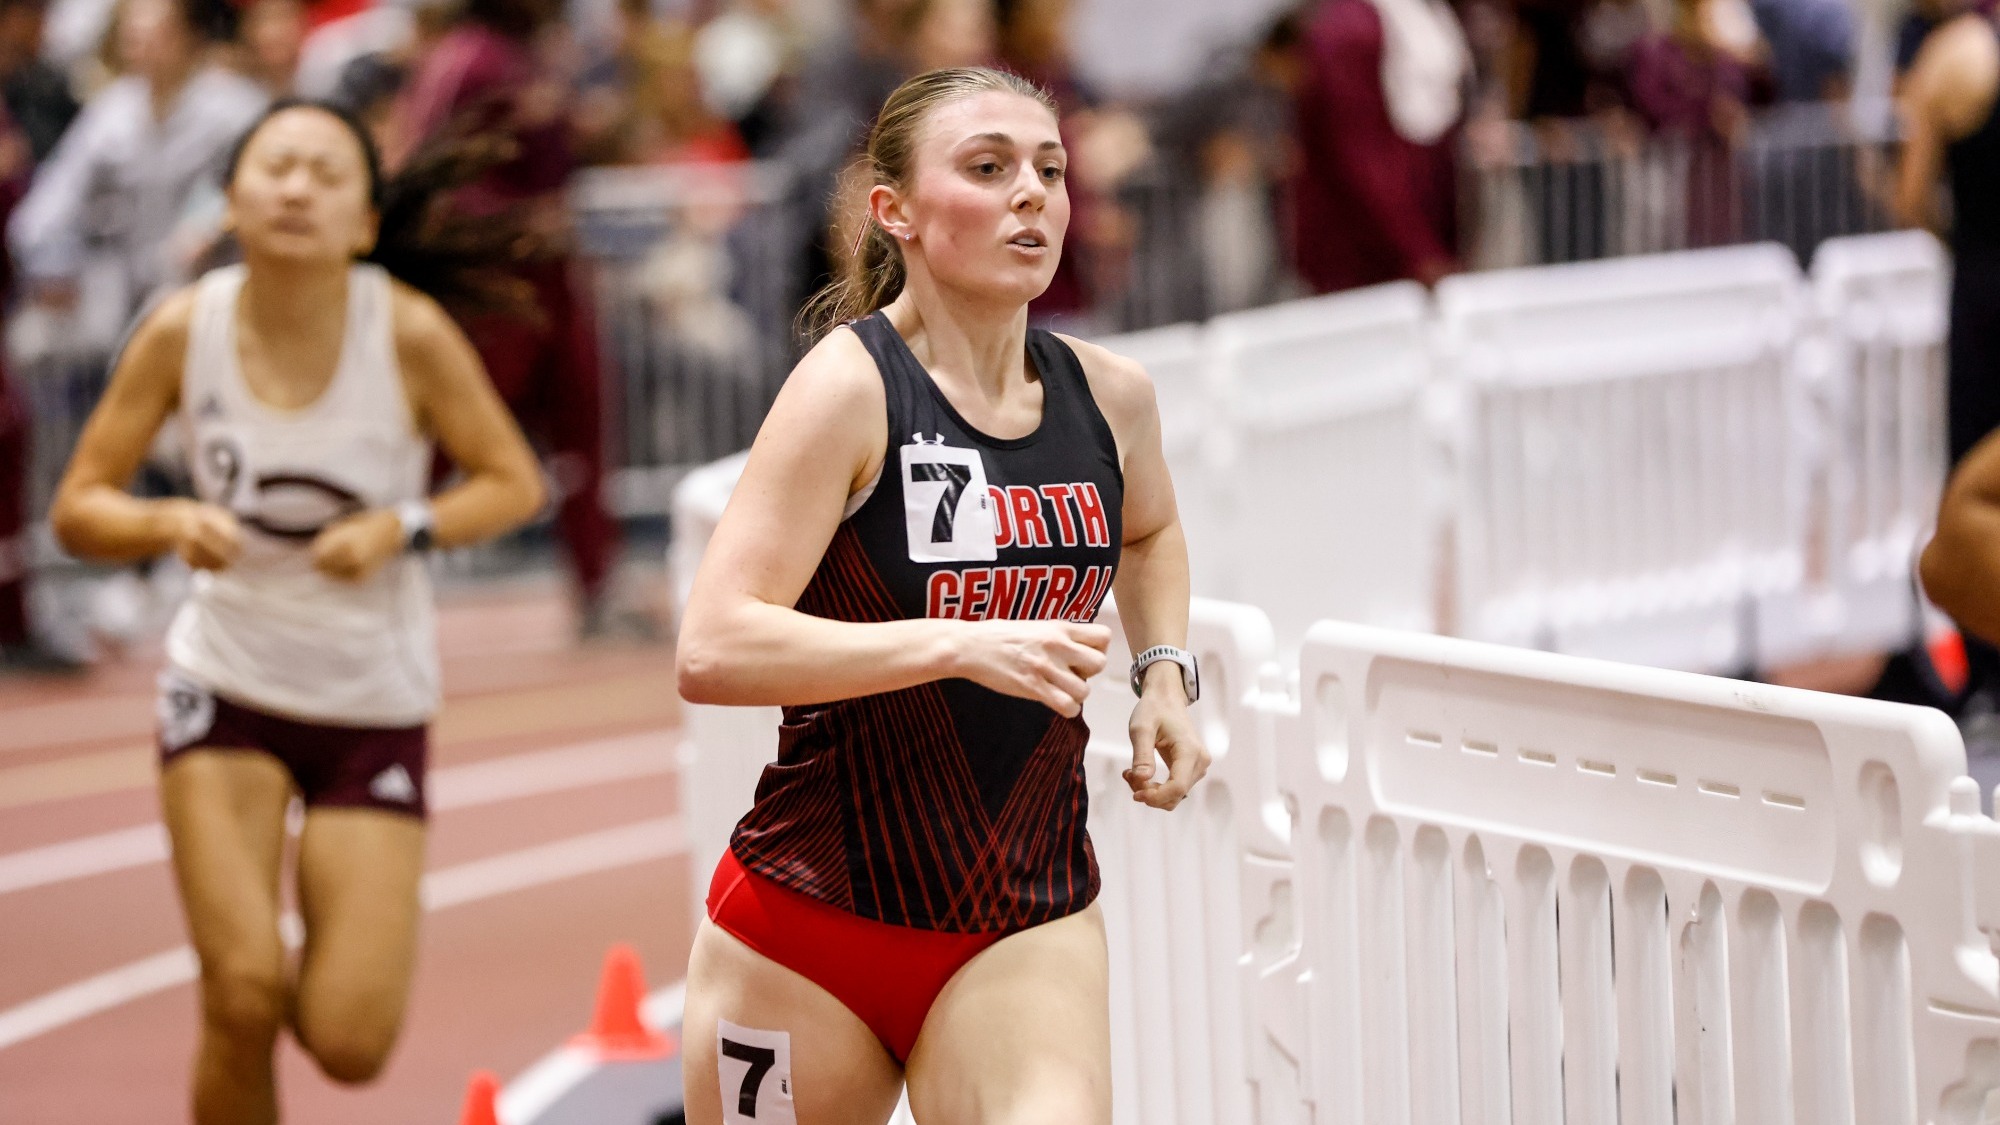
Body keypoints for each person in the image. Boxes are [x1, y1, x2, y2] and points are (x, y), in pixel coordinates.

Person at [674, 67, 1208, 1124]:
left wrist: (1162, 675)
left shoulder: (1112, 400)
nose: (1031, 195)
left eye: (1049, 170)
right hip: (807, 923)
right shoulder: (847, 389)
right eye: (987, 167)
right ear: (897, 213)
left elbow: (1147, 531)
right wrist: (953, 646)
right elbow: (711, 648)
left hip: (1023, 918)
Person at [46, 99, 545, 1123]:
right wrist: (168, 522)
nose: (294, 189)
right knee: (241, 992)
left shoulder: (404, 331)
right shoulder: (188, 328)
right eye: (273, 168)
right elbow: (78, 508)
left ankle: (341, 927)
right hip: (225, 683)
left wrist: (401, 526)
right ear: (229, 198)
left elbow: (511, 483)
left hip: (371, 697)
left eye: (324, 173)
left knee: (349, 1041)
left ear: (364, 221)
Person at [393, 0, 635, 638]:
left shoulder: (530, 54)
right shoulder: (467, 58)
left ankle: (597, 586)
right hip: (499, 286)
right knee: (456, 433)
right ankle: (371, 554)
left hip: (549, 278)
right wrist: (516, 221)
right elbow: (428, 177)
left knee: (584, 426)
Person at [1898, 9, 2000, 708]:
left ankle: (1988, 688)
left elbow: (1912, 197)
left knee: (1967, 506)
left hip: (1983, 294)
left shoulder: (1950, 57)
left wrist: (1958, 242)